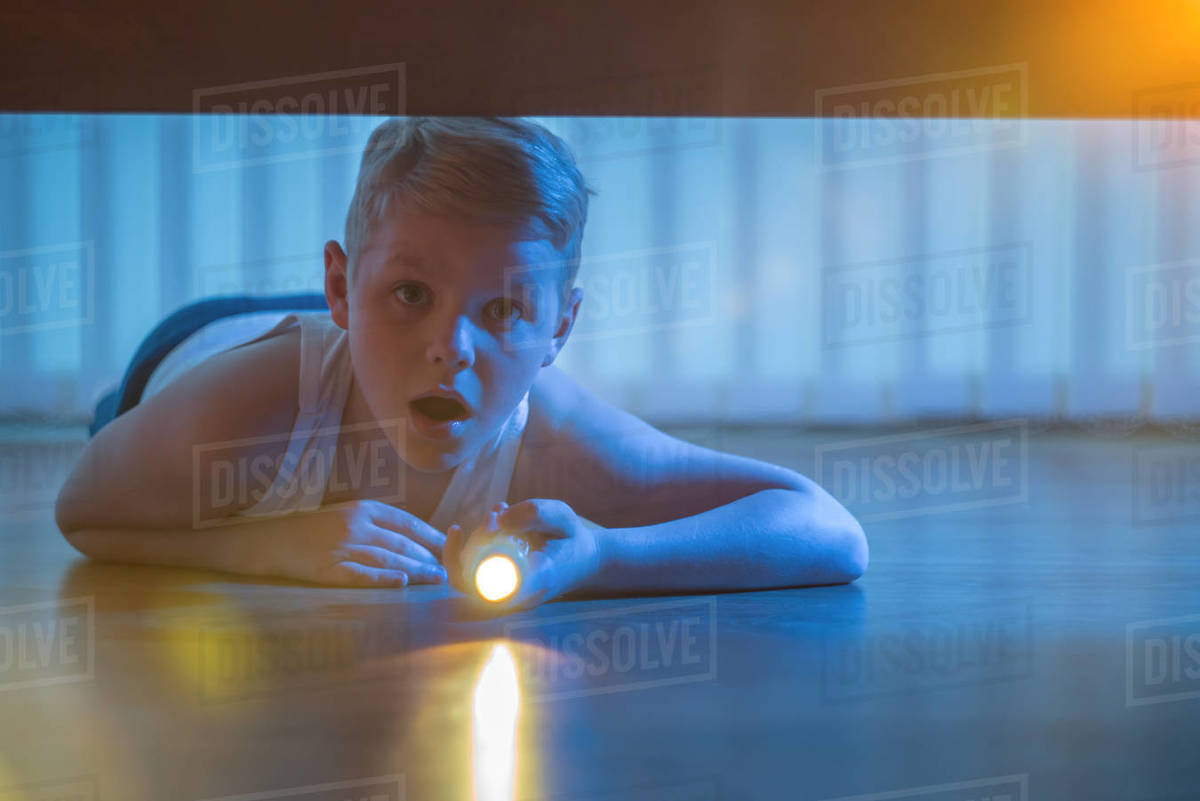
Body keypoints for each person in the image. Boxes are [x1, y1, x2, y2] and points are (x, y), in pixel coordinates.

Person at [54, 117, 867, 609]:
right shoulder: (250, 412)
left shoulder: (554, 437)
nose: (454, 348)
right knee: (126, 423)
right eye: (415, 297)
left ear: (560, 329)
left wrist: (606, 554)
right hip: (198, 344)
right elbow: (84, 511)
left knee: (416, 290)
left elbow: (829, 530)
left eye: (505, 310)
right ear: (337, 285)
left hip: (357, 325)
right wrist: (267, 545)